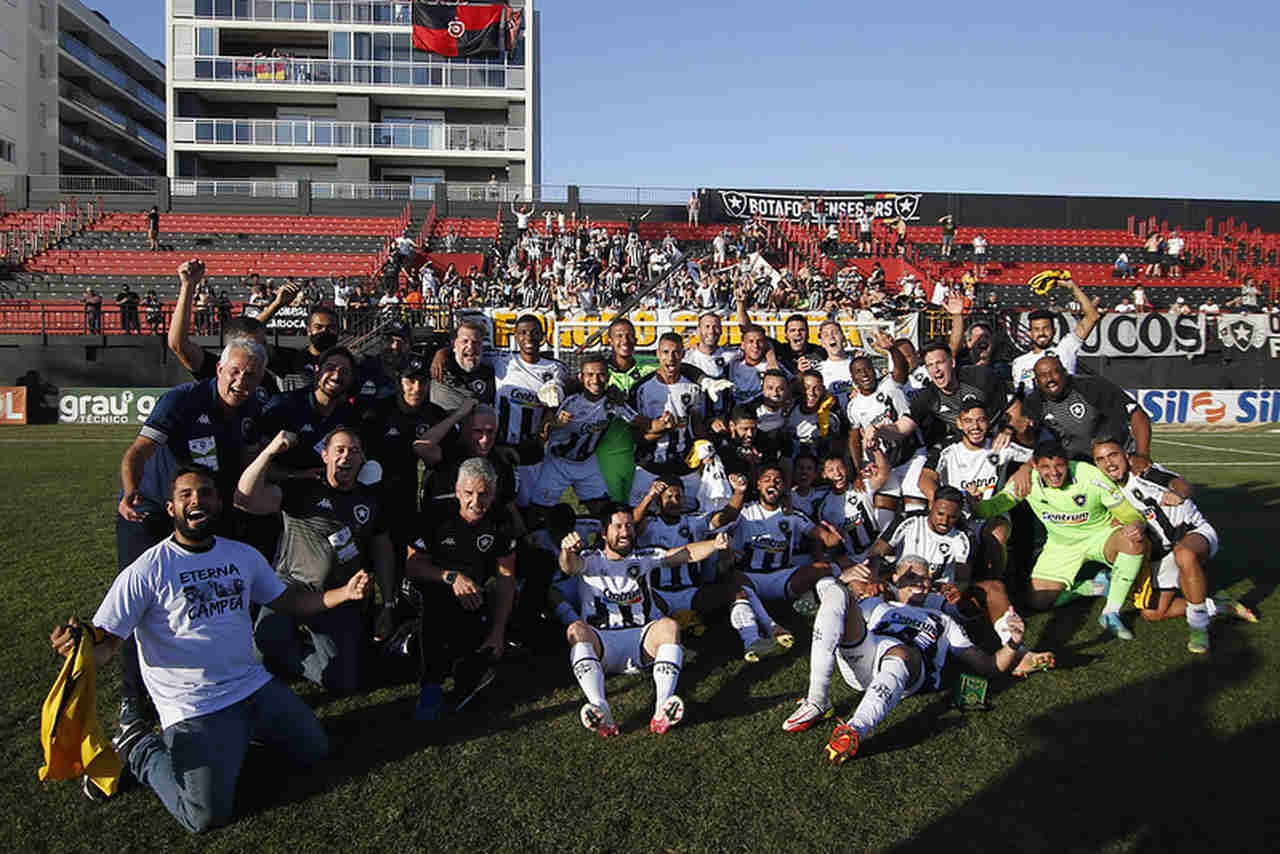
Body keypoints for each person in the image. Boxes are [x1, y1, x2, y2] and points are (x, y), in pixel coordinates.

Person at [50, 465, 367, 830]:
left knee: (315, 749)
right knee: (203, 817)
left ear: (218, 503)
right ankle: (139, 747)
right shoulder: (147, 570)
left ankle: (234, 741)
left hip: (251, 687)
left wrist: (344, 593)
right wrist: (80, 646)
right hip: (193, 706)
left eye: (205, 493)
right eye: (185, 495)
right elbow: (106, 645)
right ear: (171, 509)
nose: (196, 500)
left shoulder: (242, 556)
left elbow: (290, 602)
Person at [114, 339, 267, 727]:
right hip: (149, 510)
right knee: (140, 604)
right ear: (219, 370)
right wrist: (131, 490)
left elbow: (249, 457)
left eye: (250, 374)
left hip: (203, 512)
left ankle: (215, 681)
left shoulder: (255, 405)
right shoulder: (181, 400)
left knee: (205, 598)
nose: (240, 381)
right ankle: (134, 699)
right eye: (234, 371)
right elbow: (139, 450)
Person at [785, 572, 1053, 759]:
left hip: (910, 668)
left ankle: (853, 730)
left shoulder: (943, 621)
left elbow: (989, 668)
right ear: (896, 580)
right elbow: (817, 594)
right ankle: (817, 699)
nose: (922, 584)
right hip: (864, 657)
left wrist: (1014, 644)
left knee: (900, 653)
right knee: (836, 591)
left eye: (927, 581)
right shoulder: (878, 604)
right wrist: (846, 583)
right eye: (914, 578)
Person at [236, 428, 393, 697]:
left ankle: (298, 643)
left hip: (339, 595)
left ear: (362, 459)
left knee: (342, 683)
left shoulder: (370, 499)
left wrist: (388, 603)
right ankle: (284, 643)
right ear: (325, 455)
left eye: (354, 451)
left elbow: (382, 549)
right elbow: (244, 500)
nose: (347, 456)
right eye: (340, 450)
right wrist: (269, 452)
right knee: (259, 659)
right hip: (289, 588)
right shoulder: (302, 489)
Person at [559, 503, 731, 737]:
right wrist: (567, 551)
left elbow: (685, 553)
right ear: (603, 532)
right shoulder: (590, 559)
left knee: (670, 625)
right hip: (602, 644)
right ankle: (600, 708)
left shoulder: (645, 556)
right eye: (618, 526)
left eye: (629, 525)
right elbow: (569, 567)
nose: (625, 531)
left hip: (641, 642)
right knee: (576, 630)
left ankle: (662, 707)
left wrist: (714, 544)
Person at [1091, 439, 1258, 653]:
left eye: (1113, 455)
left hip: (1192, 533)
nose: (1109, 463)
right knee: (1153, 613)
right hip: (1163, 551)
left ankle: (1199, 627)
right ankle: (1218, 605)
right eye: (1101, 459)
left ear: (1125, 454)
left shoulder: (1143, 472)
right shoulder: (1107, 490)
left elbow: (1181, 483)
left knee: (1185, 554)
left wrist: (1178, 494)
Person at [974, 441, 1146, 640]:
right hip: (1061, 545)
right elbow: (996, 506)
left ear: (1068, 463)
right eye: (1046, 467)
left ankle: (1110, 613)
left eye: (1060, 466)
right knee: (1037, 601)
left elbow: (1129, 514)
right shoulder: (1027, 480)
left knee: (1133, 540)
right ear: (1036, 466)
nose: (1054, 473)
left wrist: (1136, 525)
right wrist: (972, 506)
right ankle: (1096, 586)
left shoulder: (1089, 475)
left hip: (1101, 535)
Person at [406, 457, 519, 719]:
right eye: (468, 493)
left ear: (494, 492)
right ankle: (431, 685)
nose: (475, 503)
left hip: (472, 589)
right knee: (435, 605)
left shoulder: (501, 520)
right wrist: (450, 577)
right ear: (457, 491)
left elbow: (505, 577)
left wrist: (498, 632)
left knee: (476, 637)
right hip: (430, 584)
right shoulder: (434, 515)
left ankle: (464, 675)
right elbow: (413, 568)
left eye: (484, 494)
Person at [534, 353, 647, 516]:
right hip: (557, 463)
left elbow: (638, 421)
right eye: (590, 375)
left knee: (605, 513)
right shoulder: (568, 399)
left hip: (587, 463)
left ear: (608, 377)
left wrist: (664, 422)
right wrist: (555, 422)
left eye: (601, 374)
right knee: (538, 513)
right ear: (581, 377)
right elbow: (543, 428)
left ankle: (605, 541)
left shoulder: (612, 402)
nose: (595, 380)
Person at [629, 333, 709, 508]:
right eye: (665, 352)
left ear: (683, 354)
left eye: (676, 352)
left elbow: (697, 425)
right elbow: (636, 437)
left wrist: (705, 449)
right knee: (641, 518)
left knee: (693, 515)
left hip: (686, 467)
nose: (671, 358)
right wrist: (661, 429)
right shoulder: (641, 389)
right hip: (649, 466)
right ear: (657, 354)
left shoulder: (694, 387)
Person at [1022, 356, 1150, 464]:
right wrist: (1024, 432)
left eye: (1054, 372)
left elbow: (1136, 414)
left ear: (1065, 372)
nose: (1050, 379)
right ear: (1037, 382)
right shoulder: (1034, 403)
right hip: (1078, 469)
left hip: (1118, 462)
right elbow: (1030, 442)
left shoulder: (1091, 387)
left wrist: (1142, 456)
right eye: (1043, 376)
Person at [1009, 280, 1101, 397]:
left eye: (1046, 328)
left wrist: (1072, 287)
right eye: (1036, 329)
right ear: (1030, 333)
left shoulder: (1065, 348)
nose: (1041, 333)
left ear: (1054, 331)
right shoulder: (1019, 363)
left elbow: (1092, 317)